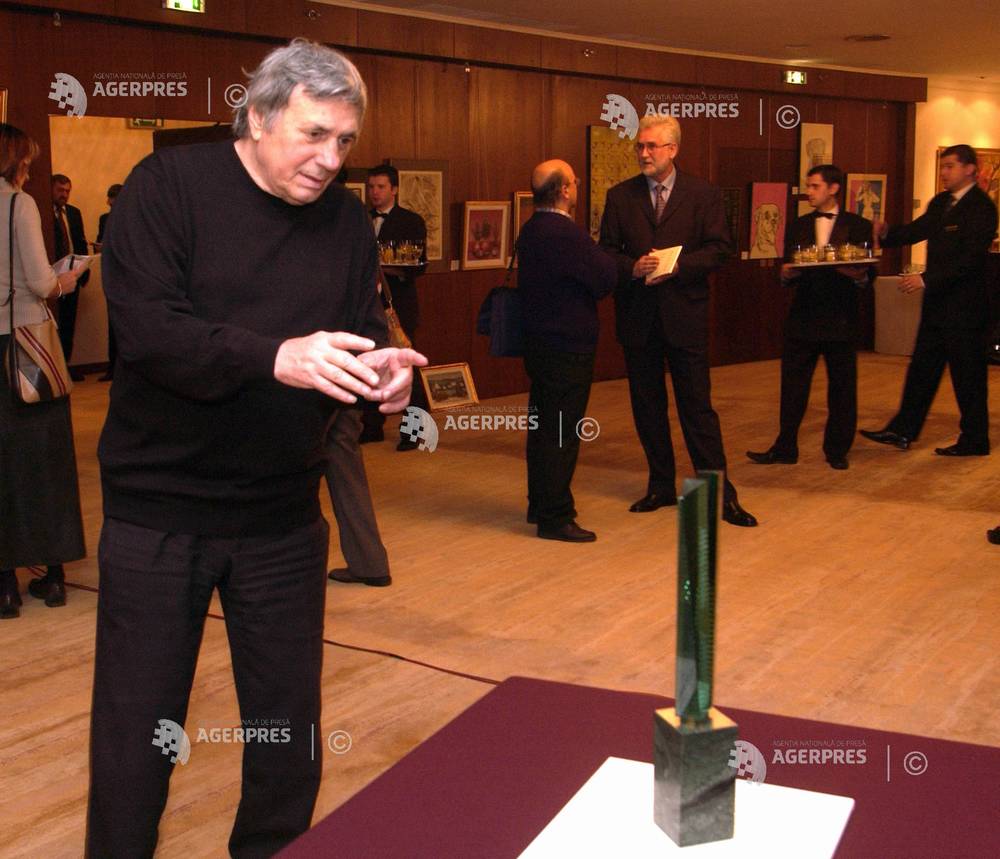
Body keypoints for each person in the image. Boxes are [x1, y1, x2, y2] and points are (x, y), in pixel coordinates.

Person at [87, 39, 426, 857]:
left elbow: (360, 329)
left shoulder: (345, 222)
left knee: (286, 738)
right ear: (259, 116)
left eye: (344, 141)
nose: (331, 159)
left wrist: (383, 371)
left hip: (282, 518)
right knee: (138, 738)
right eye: (314, 134)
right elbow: (150, 330)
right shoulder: (168, 187)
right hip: (159, 515)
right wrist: (276, 356)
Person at [599, 114, 757, 526]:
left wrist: (678, 266)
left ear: (672, 149)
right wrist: (632, 267)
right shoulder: (620, 196)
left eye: (651, 146)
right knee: (647, 407)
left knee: (697, 409)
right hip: (638, 317)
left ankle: (720, 494)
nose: (643, 153)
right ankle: (660, 486)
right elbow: (606, 253)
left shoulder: (702, 194)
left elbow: (720, 249)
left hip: (684, 315)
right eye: (640, 146)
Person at [861, 144, 999, 456]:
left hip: (966, 310)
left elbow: (970, 260)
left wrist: (926, 278)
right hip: (937, 308)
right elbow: (916, 230)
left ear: (969, 169)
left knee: (968, 377)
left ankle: (975, 440)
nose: (944, 172)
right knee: (922, 370)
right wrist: (887, 233)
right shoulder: (941, 203)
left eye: (950, 166)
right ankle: (902, 430)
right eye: (943, 166)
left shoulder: (982, 208)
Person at [0, 124, 86, 619]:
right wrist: (65, 281)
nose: (29, 170)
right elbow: (39, 281)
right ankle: (53, 576)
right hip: (28, 347)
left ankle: (5, 587)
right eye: (27, 162)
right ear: (14, 161)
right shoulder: (20, 204)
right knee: (45, 461)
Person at [747, 165, 873, 470]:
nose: (809, 192)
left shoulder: (858, 225)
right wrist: (785, 274)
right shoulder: (798, 225)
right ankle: (785, 447)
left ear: (833, 188)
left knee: (842, 388)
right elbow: (788, 269)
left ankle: (837, 450)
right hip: (803, 317)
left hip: (841, 318)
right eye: (808, 186)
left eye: (815, 186)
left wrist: (856, 275)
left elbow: (869, 273)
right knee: (793, 387)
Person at [518, 159, 616, 542]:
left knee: (542, 427)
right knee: (562, 432)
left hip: (539, 343)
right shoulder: (565, 233)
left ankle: (539, 503)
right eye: (574, 181)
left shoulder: (531, 229)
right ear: (563, 190)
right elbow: (604, 278)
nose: (576, 186)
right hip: (568, 345)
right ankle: (556, 516)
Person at [360, 164, 429, 449]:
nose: (374, 192)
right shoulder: (361, 219)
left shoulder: (410, 221)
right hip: (366, 305)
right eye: (371, 187)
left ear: (394, 189)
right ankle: (371, 426)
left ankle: (414, 431)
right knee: (369, 363)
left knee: (406, 366)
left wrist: (383, 266)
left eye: (381, 187)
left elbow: (419, 264)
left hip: (398, 304)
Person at [51, 173, 90, 380]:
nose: (64, 195)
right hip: (51, 280)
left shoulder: (74, 213)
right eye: (60, 190)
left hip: (73, 276)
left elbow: (80, 242)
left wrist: (84, 271)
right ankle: (54, 368)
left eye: (67, 191)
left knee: (68, 323)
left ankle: (65, 366)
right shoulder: (43, 212)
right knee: (54, 324)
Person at [95, 182, 122, 381]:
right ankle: (113, 367)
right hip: (112, 274)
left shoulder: (136, 218)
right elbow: (100, 241)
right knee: (112, 324)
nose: (109, 205)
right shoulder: (104, 219)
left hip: (130, 276)